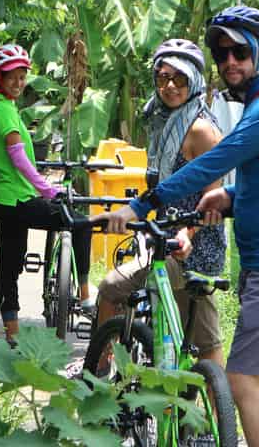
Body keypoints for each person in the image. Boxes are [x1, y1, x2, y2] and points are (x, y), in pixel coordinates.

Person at [97, 6, 259, 447]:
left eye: (240, 51)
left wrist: (143, 206)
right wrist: (232, 199)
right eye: (222, 54)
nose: (230, 61)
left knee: (241, 381)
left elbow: (215, 162)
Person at [95, 39, 227, 365]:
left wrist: (186, 233)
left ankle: (98, 368)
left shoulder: (200, 130)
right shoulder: (161, 121)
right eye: (162, 78)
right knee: (197, 340)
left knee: (112, 289)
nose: (170, 86)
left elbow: (214, 198)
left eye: (179, 78)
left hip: (194, 248)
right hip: (163, 239)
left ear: (194, 80)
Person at [0, 44, 94, 345]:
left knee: (11, 263)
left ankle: (12, 335)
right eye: (11, 77)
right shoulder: (3, 110)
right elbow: (17, 157)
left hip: (3, 198)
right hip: (16, 198)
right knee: (81, 224)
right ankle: (85, 296)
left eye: (22, 77)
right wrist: (47, 189)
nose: (18, 83)